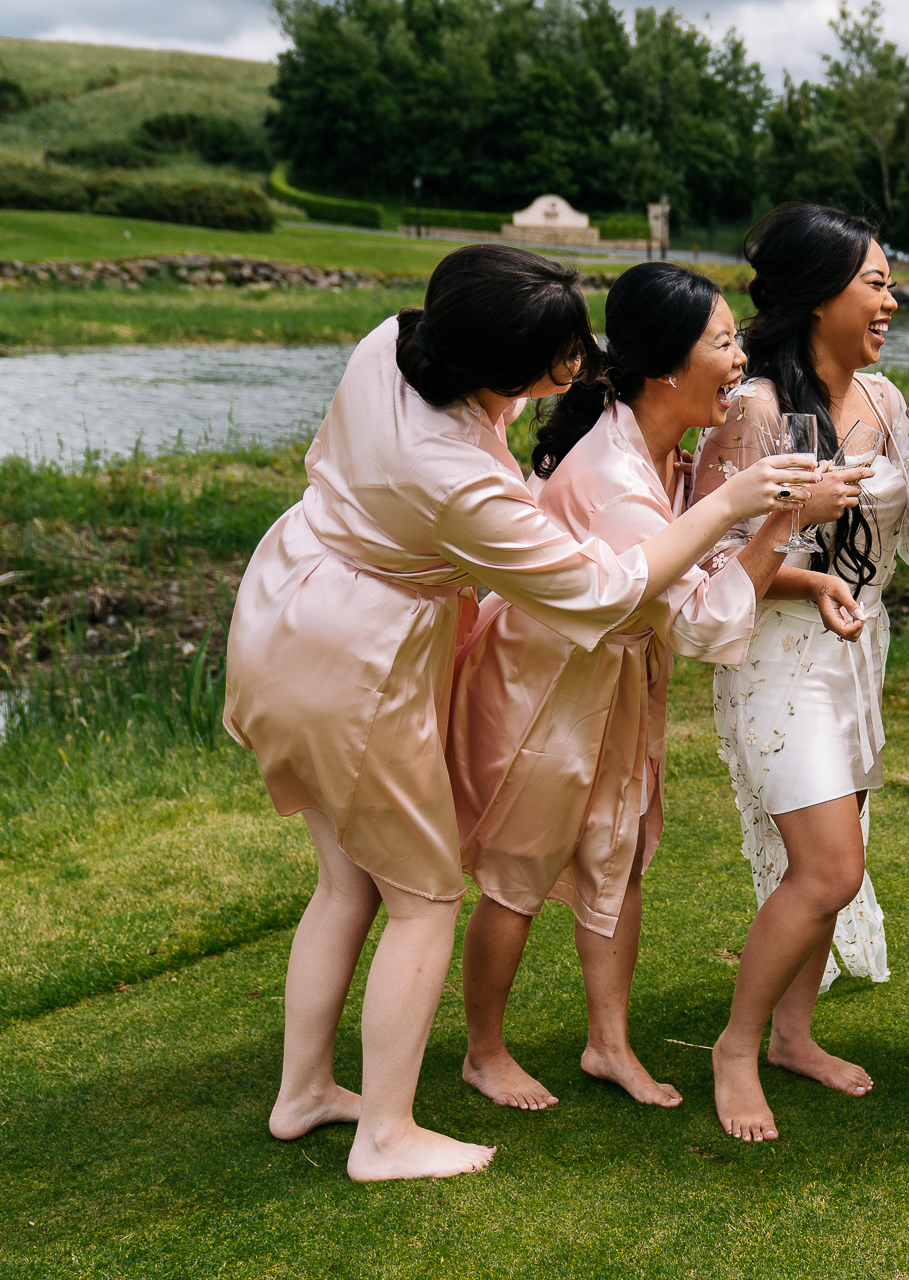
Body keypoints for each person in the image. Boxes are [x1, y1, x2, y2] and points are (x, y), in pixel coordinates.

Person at [223, 245, 814, 1181]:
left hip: (288, 607)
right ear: (499, 369)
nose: (581, 368)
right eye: (560, 358)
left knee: (348, 881)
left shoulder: (393, 343)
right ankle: (386, 1134)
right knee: (425, 898)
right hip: (351, 659)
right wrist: (737, 501)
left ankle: (304, 1091)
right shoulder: (459, 479)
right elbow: (610, 588)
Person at [448, 262, 866, 1114]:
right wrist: (786, 519)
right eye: (722, 342)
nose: (740, 361)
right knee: (517, 873)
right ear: (667, 365)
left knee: (620, 852)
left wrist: (806, 576)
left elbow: (705, 570)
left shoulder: (661, 443)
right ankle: (484, 1053)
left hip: (618, 674)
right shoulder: (612, 478)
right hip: (549, 684)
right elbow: (708, 622)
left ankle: (609, 1046)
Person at [694, 203, 909, 1142]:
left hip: (859, 655)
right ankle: (737, 1044)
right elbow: (704, 565)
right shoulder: (755, 410)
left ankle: (793, 1036)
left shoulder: (894, 404)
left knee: (830, 865)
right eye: (876, 281)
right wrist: (808, 575)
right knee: (829, 869)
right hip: (777, 661)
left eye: (890, 281)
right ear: (820, 297)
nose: (892, 299)